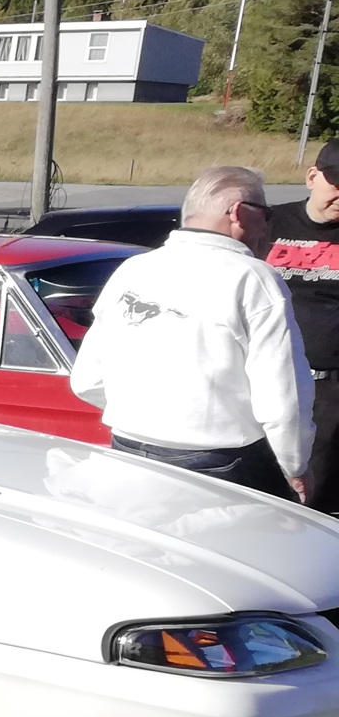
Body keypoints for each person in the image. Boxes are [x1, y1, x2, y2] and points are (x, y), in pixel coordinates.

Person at [70, 165, 312, 500]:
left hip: (127, 447)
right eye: (266, 214)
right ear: (239, 213)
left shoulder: (133, 269)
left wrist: (150, 414)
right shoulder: (253, 277)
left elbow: (87, 380)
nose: (267, 227)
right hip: (218, 461)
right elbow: (283, 396)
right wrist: (295, 465)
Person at [263, 141, 339, 509]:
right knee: (259, 490)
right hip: (264, 380)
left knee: (312, 499)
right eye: (336, 183)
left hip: (329, 391)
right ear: (312, 177)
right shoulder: (269, 223)